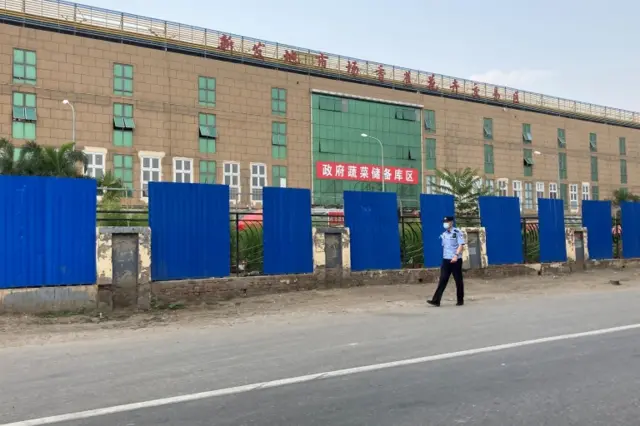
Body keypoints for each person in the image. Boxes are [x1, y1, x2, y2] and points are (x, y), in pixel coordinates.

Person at [427, 216, 465, 307]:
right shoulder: (444, 234)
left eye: (447, 221)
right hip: (446, 260)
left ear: (451, 222)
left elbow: (461, 245)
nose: (445, 223)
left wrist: (456, 256)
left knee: (458, 280)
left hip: (456, 260)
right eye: (444, 222)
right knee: (443, 279)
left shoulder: (457, 232)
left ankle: (460, 300)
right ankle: (436, 300)